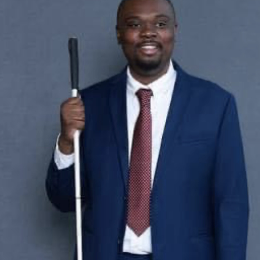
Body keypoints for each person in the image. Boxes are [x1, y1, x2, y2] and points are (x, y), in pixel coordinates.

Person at [46, 0, 249, 259]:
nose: (148, 31)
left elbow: (230, 205)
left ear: (174, 30)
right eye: (134, 24)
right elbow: (63, 199)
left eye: (160, 23)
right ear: (119, 33)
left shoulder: (216, 105)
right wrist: (66, 140)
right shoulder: (89, 104)